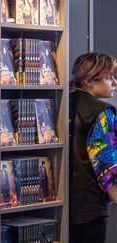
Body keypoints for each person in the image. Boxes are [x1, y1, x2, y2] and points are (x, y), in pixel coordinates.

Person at [69, 52, 117, 243]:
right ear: (89, 81)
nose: (114, 82)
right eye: (109, 77)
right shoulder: (102, 112)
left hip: (63, 204)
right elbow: (107, 167)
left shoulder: (64, 102)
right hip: (90, 208)